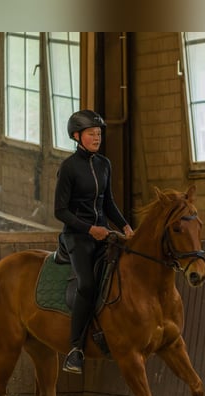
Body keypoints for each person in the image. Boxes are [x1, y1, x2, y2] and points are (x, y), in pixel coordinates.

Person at [54, 109, 134, 374]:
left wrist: (124, 225)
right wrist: (90, 229)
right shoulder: (68, 168)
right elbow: (60, 211)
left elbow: (108, 203)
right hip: (77, 237)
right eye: (91, 134)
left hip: (103, 233)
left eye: (99, 134)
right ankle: (75, 349)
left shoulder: (104, 164)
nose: (97, 138)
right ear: (77, 136)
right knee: (87, 285)